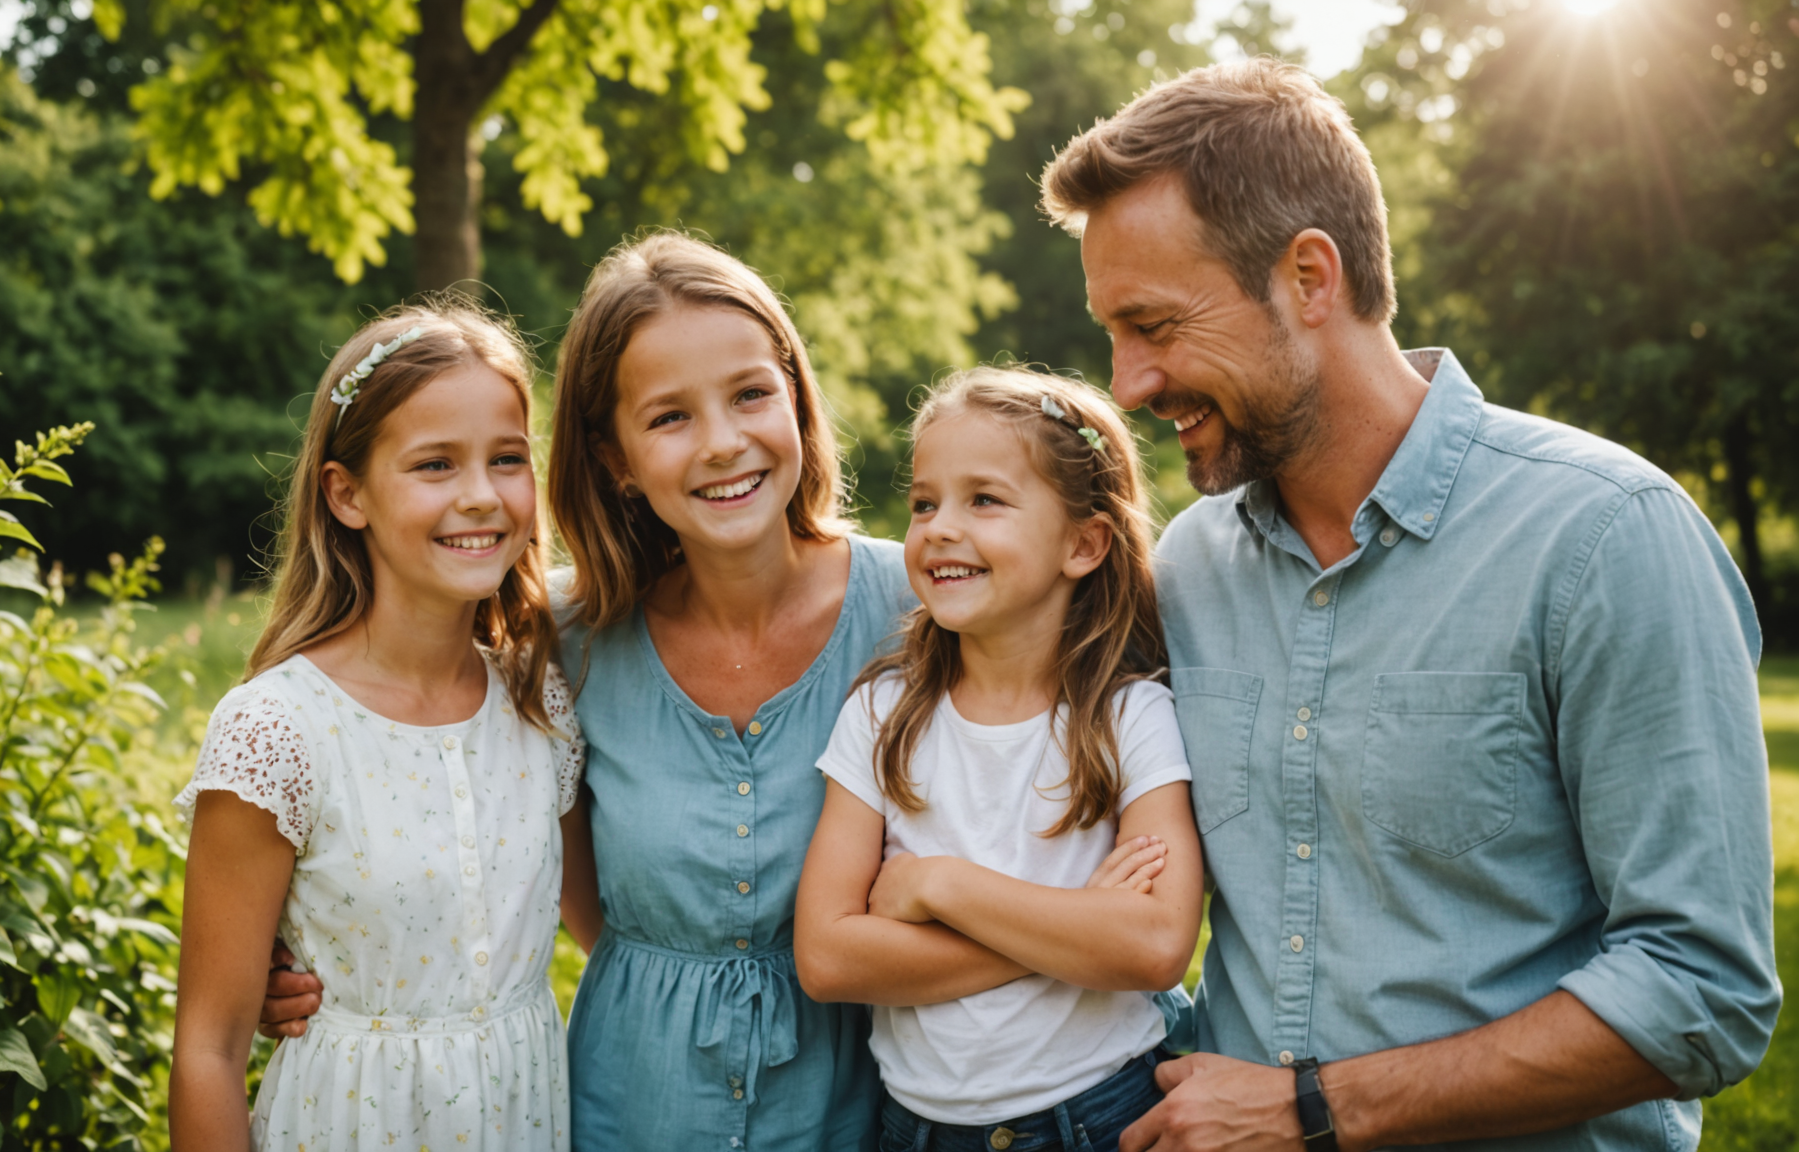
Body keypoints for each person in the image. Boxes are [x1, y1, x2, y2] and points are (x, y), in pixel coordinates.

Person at [1036, 58, 1780, 1152]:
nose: (1129, 383)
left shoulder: (1605, 537)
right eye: (1114, 334)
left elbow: (1703, 991)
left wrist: (1314, 1111)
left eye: (1154, 326)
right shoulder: (1185, 567)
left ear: (1308, 277)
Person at [258, 234, 914, 1149]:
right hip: (631, 1108)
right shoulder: (560, 640)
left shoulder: (923, 613)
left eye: (752, 394)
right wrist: (306, 956)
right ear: (613, 460)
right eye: (670, 417)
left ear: (798, 398)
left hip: (862, 1111)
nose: (725, 443)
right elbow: (413, 765)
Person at [168, 303, 592, 1151]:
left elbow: (606, 921)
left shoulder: (538, 701)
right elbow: (208, 1049)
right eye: (435, 464)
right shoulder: (277, 730)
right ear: (347, 493)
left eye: (507, 459)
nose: (480, 495)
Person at [796, 367, 1203, 1152]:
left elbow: (1153, 946)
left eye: (984, 499)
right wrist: (1073, 931)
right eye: (924, 502)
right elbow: (827, 956)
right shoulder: (882, 715)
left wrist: (936, 885)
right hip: (917, 1131)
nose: (940, 527)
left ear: (1083, 543)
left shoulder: (1130, 719)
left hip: (1097, 1117)